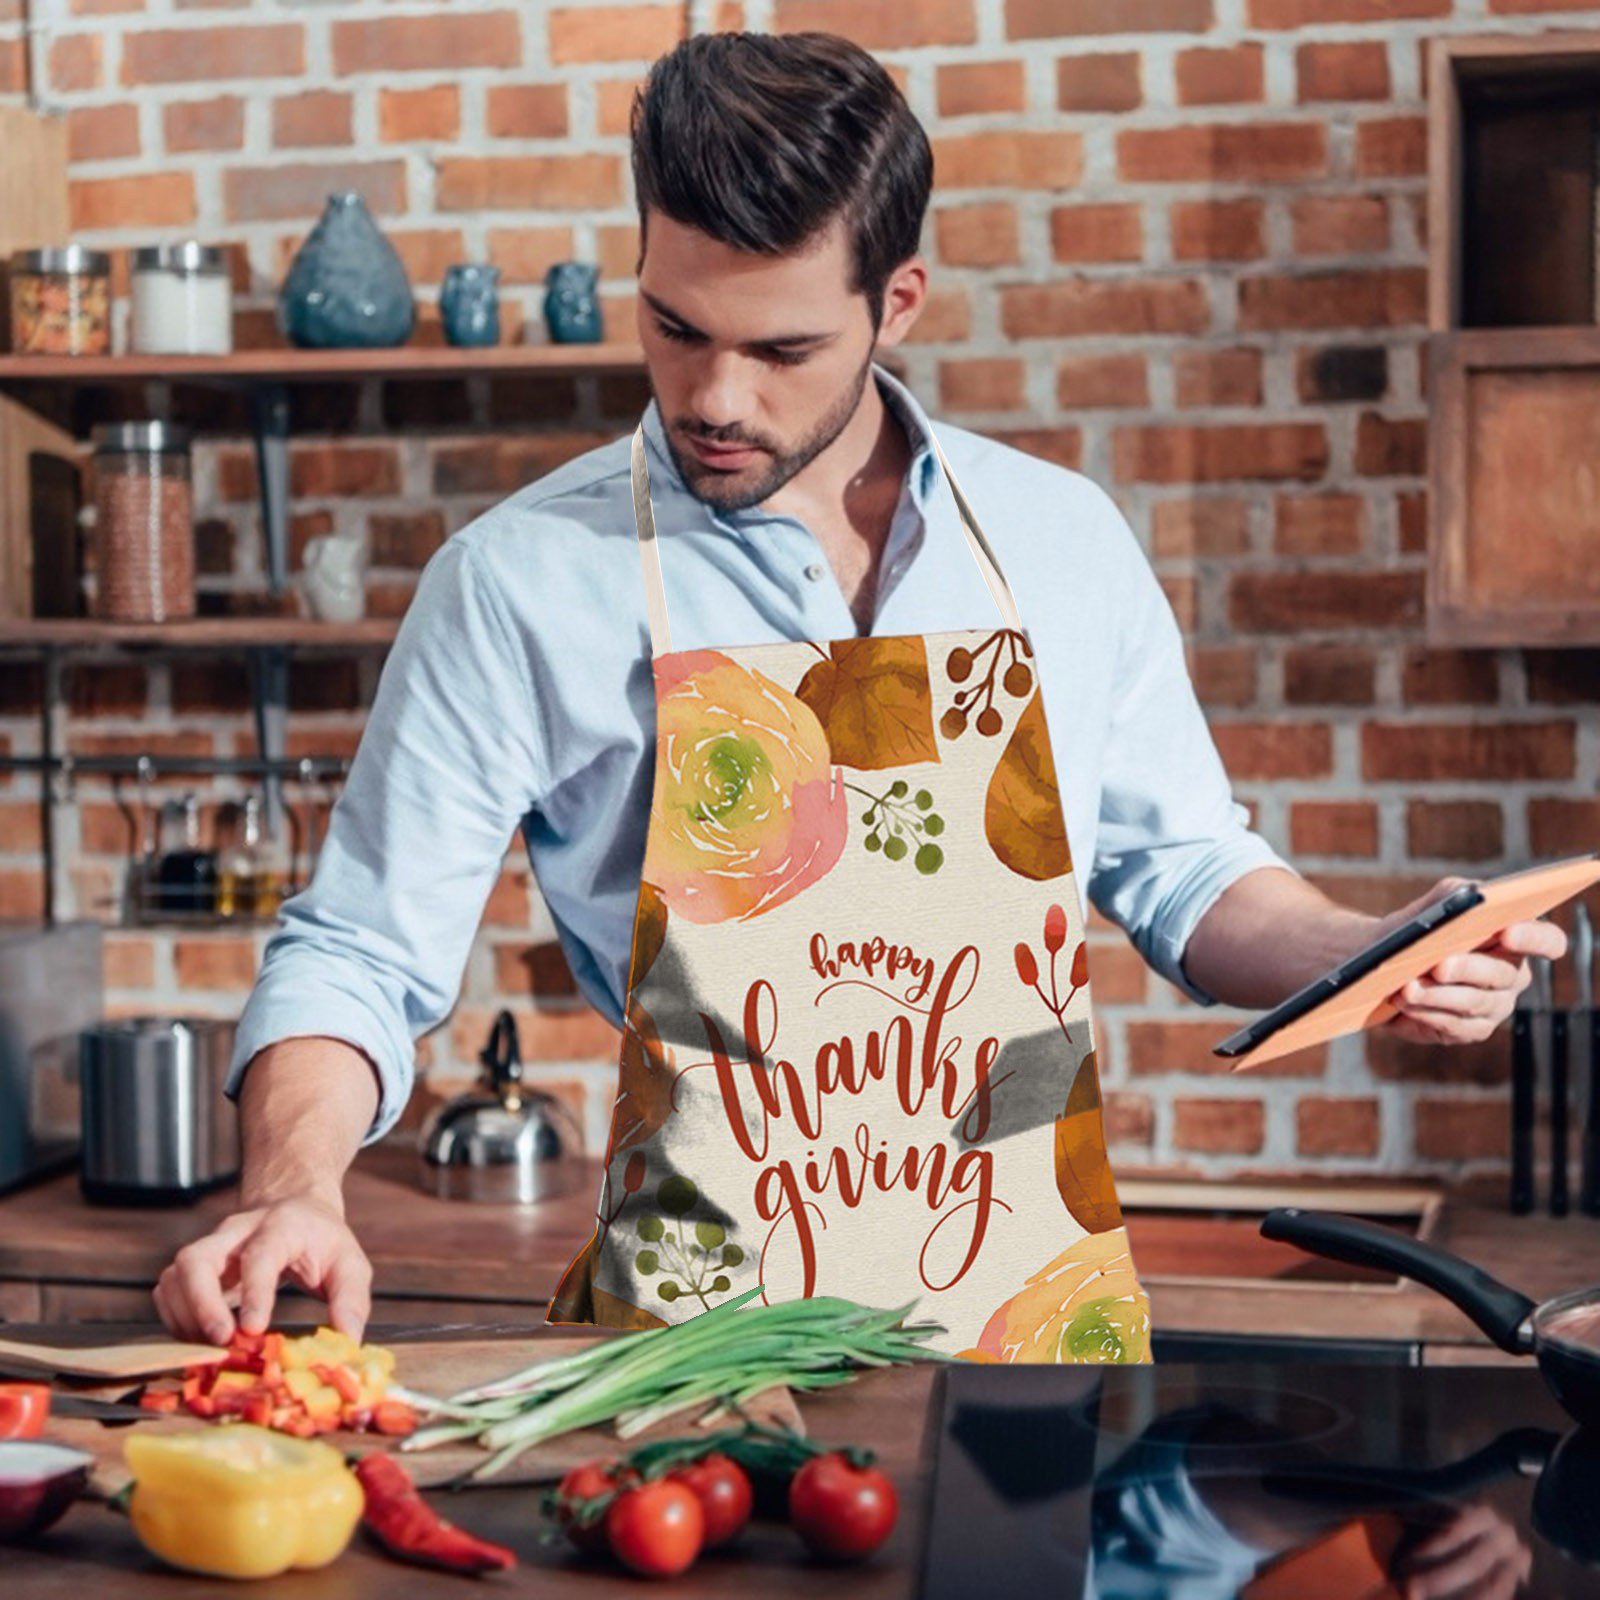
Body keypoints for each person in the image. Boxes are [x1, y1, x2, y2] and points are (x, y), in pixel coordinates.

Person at [153, 30, 1565, 1348]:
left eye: (778, 351)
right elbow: (359, 952)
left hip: (1024, 1318)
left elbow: (1186, 872)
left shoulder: (1059, 542)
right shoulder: (521, 579)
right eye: (673, 327)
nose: (712, 396)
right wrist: (293, 1185)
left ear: (897, 303)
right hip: (690, 1346)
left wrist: (1370, 950)